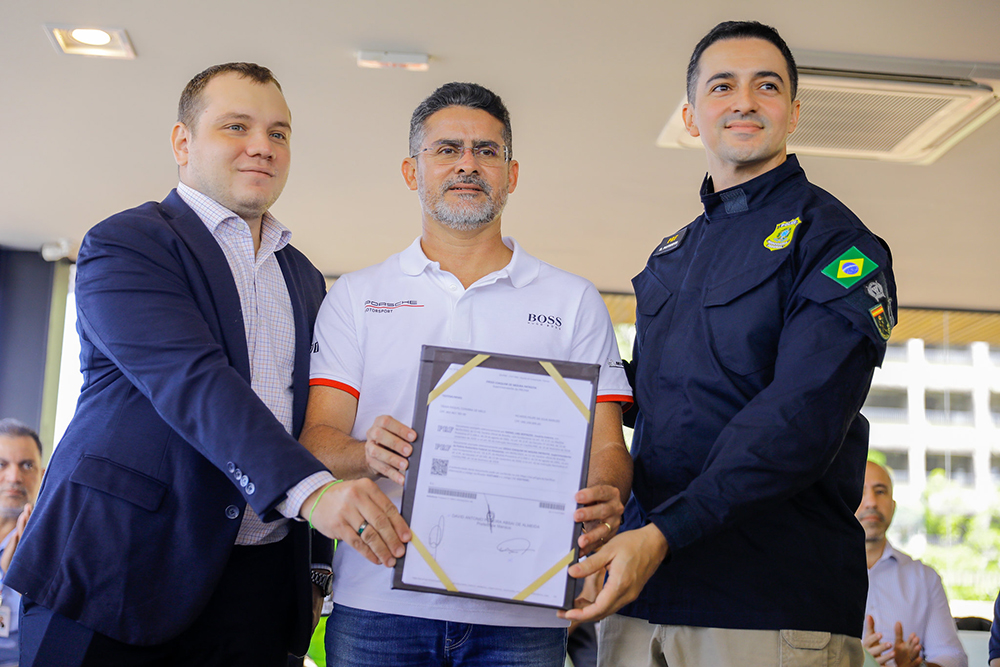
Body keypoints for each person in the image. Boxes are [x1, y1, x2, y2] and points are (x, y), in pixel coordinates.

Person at [6, 62, 409, 667]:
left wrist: (324, 546)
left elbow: (307, 423)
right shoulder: (128, 243)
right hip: (118, 571)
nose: (262, 146)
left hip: (259, 592)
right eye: (236, 126)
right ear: (183, 142)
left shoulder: (304, 277)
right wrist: (312, 493)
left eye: (278, 133)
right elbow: (191, 381)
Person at [563, 21, 897, 667]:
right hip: (640, 599)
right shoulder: (672, 254)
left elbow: (799, 420)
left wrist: (663, 533)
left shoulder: (836, 242)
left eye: (766, 86)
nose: (744, 101)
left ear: (793, 112)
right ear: (691, 117)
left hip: (766, 606)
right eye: (722, 86)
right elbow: (653, 400)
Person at [299, 82, 634, 666]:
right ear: (412, 171)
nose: (467, 164)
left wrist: (605, 496)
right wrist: (367, 453)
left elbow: (607, 447)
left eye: (486, 151)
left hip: (523, 615)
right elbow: (316, 443)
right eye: (447, 149)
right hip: (378, 605)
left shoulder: (573, 301)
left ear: (512, 174)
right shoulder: (356, 296)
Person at [859, 461, 967, 667]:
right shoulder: (817, 576)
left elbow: (953, 657)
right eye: (860, 491)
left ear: (893, 506)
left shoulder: (924, 578)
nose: (871, 502)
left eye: (880, 491)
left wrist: (918, 666)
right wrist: (854, 660)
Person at [0, 420, 45, 667]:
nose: (14, 477)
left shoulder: (59, 548)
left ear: (43, 476)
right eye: (1, 464)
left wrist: (25, 577)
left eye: (27, 465)